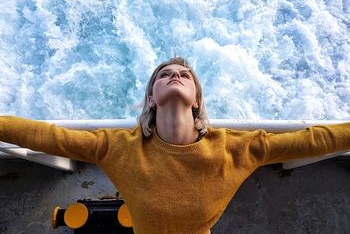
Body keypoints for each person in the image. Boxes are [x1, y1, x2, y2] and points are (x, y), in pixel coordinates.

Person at [1, 57, 350, 234]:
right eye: (164, 75)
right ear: (152, 98)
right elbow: (47, 136)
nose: (175, 77)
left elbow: (314, 139)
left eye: (184, 76)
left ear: (196, 100)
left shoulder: (237, 150)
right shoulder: (117, 146)